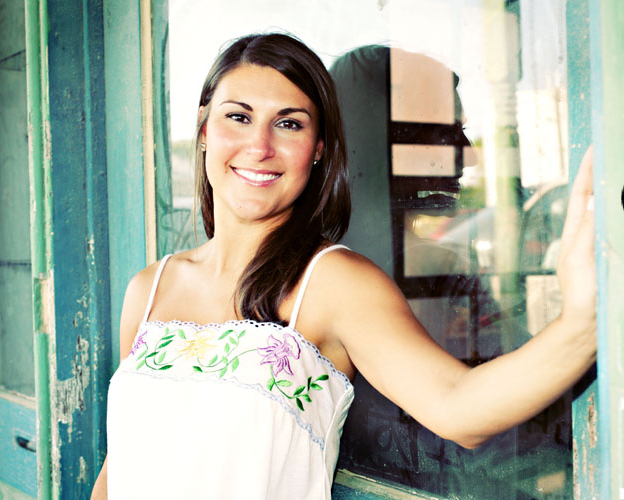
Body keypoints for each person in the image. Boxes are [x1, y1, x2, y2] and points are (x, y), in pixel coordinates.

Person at [91, 33, 595, 500]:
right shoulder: (149, 288)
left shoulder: (332, 283)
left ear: (319, 150)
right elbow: (119, 469)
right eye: (238, 117)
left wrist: (583, 321)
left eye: (289, 123)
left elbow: (458, 406)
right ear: (204, 130)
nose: (259, 146)